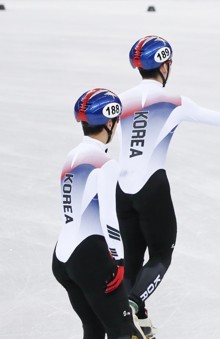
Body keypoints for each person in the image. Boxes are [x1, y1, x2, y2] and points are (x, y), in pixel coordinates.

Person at [116, 35, 220, 337]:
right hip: (152, 188)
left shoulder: (120, 101)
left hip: (122, 191)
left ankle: (132, 322)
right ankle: (134, 305)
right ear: (165, 65)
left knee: (132, 259)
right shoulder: (175, 102)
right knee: (162, 255)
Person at [52, 88, 146, 339]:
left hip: (62, 257)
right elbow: (108, 216)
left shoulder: (71, 156)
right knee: (125, 332)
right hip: (89, 258)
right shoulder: (105, 163)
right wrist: (119, 261)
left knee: (93, 328)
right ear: (110, 122)